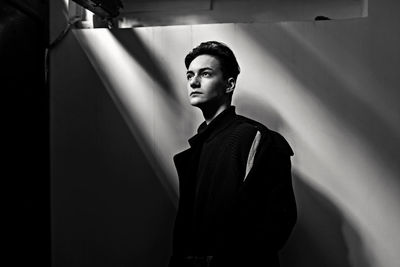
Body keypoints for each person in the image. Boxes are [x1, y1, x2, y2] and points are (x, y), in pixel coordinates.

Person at [169, 41, 297, 267]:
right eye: (189, 75)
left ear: (229, 84)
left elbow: (278, 220)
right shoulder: (197, 150)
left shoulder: (255, 137)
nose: (193, 82)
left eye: (205, 74)